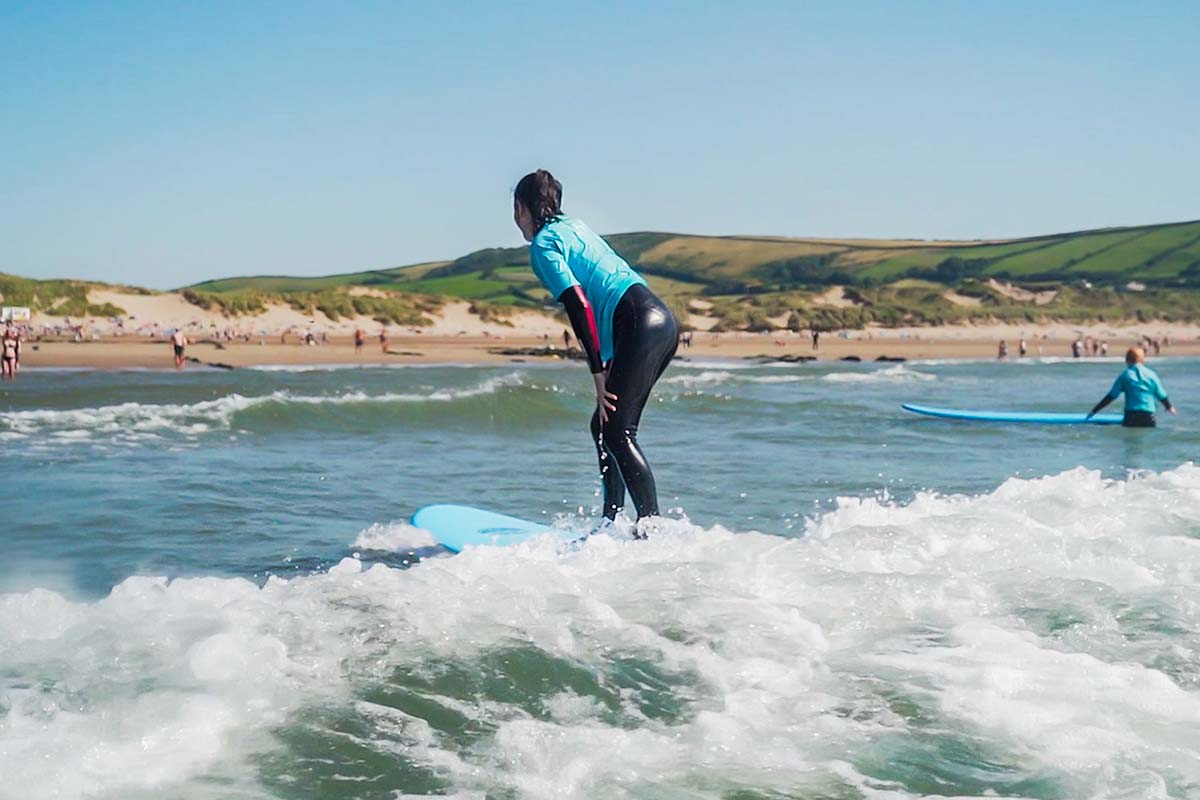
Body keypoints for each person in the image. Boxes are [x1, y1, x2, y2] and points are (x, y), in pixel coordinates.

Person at [514, 169, 677, 530]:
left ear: (522, 208)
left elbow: (579, 304)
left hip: (638, 322)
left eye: (517, 211)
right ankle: (612, 522)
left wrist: (597, 372)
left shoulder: (543, 245)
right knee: (605, 426)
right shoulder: (574, 225)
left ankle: (652, 529)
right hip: (659, 320)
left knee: (618, 432)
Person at [1087, 346, 1176, 428]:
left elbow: (1111, 396)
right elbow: (1161, 394)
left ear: (1126, 360)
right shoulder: (1151, 375)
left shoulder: (1125, 375)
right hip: (1148, 417)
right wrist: (1169, 407)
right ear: (1142, 359)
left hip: (1131, 416)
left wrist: (1094, 411)